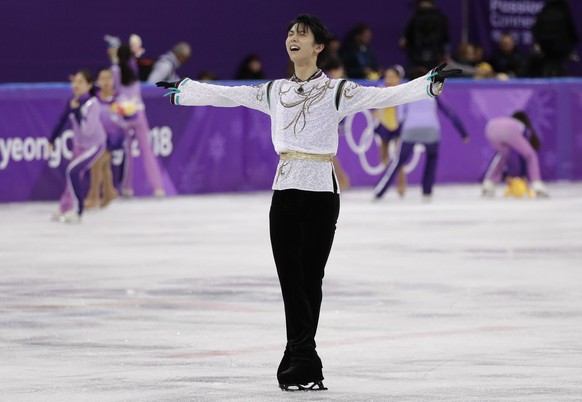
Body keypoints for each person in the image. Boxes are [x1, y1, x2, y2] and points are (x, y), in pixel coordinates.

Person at [156, 14, 460, 391]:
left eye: (302, 34)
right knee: (290, 281)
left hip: (321, 194)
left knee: (310, 280)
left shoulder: (338, 91)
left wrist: (427, 85)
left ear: (319, 47)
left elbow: (385, 95)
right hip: (284, 192)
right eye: (290, 33)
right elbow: (227, 95)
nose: (293, 37)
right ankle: (302, 358)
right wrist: (184, 91)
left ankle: (299, 358)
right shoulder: (274, 91)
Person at [373, 66, 469, 201]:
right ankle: (427, 192)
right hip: (431, 130)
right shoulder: (432, 92)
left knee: (397, 162)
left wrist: (401, 133)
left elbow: (401, 115)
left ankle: (378, 192)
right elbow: (450, 113)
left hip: (411, 129)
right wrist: (463, 132)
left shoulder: (406, 91)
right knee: (432, 158)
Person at [49, 69, 107, 223]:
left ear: (89, 86)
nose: (76, 85)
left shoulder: (93, 104)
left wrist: (77, 111)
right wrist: (51, 140)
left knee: (73, 172)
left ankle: (78, 210)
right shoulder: (74, 100)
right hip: (79, 145)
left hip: (94, 144)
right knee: (73, 175)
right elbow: (62, 120)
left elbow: (87, 130)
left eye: (81, 82)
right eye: (75, 81)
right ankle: (65, 207)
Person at [111, 44, 165, 197]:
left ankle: (127, 187)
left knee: (127, 151)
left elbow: (115, 90)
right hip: (138, 110)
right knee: (146, 150)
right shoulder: (134, 66)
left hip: (124, 112)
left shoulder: (116, 70)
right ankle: (158, 187)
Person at [85, 67, 127, 209]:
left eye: (108, 78)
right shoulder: (94, 99)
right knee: (103, 165)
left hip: (114, 137)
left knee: (97, 162)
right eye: (102, 79)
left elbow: (125, 117)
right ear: (98, 81)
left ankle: (94, 194)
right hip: (99, 136)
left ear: (114, 80)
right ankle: (109, 192)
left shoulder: (119, 98)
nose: (106, 82)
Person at [482, 111, 549, 198]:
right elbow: (524, 156)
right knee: (531, 155)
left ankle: (488, 184)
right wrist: (522, 176)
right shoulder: (521, 126)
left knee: (502, 155)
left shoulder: (508, 122)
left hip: (490, 128)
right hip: (509, 131)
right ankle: (537, 185)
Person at [374, 65, 407, 196]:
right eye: (387, 76)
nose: (389, 79)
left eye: (392, 77)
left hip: (398, 126)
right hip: (384, 125)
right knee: (383, 156)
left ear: (399, 78)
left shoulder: (403, 91)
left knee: (399, 157)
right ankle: (389, 178)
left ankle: (402, 183)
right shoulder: (381, 89)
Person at [531, 0, 579, 77]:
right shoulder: (563, 9)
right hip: (559, 49)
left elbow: (536, 29)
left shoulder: (546, 9)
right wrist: (574, 41)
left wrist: (540, 42)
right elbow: (570, 28)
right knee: (559, 68)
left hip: (546, 48)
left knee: (549, 68)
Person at [400, 0, 450, 70]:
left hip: (435, 50)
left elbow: (445, 35)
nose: (425, 5)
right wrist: (404, 38)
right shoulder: (415, 16)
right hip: (417, 51)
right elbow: (408, 31)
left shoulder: (439, 17)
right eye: (424, 2)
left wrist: (445, 51)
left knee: (433, 71)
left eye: (427, 2)